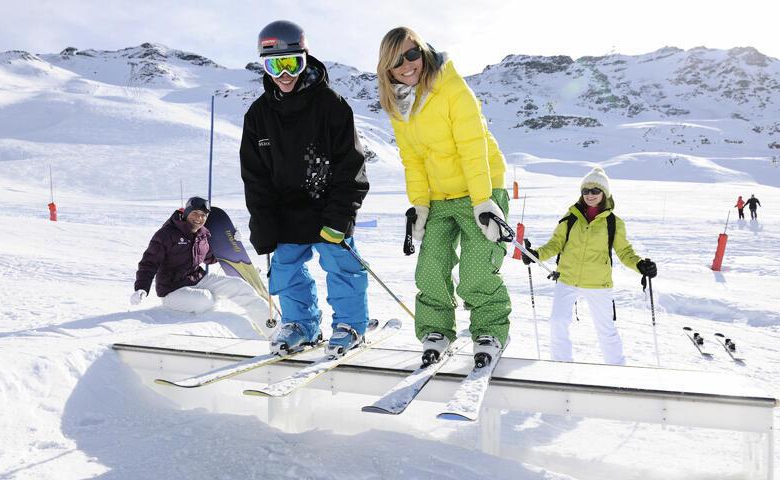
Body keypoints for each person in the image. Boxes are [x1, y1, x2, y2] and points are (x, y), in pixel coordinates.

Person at [376, 27, 510, 366]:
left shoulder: (451, 87)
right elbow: (413, 160)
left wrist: (483, 200)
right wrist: (420, 205)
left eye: (412, 55)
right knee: (431, 266)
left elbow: (472, 146)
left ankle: (489, 330)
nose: (408, 65)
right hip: (439, 196)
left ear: (422, 52)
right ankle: (436, 330)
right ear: (387, 68)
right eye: (397, 60)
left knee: (477, 269)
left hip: (480, 188)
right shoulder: (398, 105)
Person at [240, 20, 370, 357]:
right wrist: (263, 223)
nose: (284, 74)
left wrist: (341, 215)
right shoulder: (258, 115)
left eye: (291, 63)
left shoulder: (331, 105)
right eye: (274, 65)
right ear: (264, 67)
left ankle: (350, 325)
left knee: (340, 265)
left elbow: (351, 165)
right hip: (286, 212)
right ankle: (301, 324)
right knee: (285, 269)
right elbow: (255, 178)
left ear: (305, 59)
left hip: (328, 208)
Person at [521, 167, 656, 365]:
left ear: (604, 193)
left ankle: (617, 371)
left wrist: (640, 265)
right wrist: (536, 255)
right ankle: (561, 367)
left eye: (595, 190)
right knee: (558, 322)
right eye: (586, 191)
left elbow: (625, 252)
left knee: (606, 329)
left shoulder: (613, 223)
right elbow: (556, 243)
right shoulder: (571, 217)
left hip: (598, 284)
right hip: (567, 279)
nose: (590, 195)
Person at [131, 197, 273, 337]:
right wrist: (141, 287)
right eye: (195, 213)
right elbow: (149, 262)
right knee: (206, 300)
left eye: (203, 215)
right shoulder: (167, 234)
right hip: (172, 289)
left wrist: (230, 243)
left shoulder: (202, 234)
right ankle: (209, 300)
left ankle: (273, 331)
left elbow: (209, 258)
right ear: (186, 213)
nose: (199, 218)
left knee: (239, 286)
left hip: (197, 279)